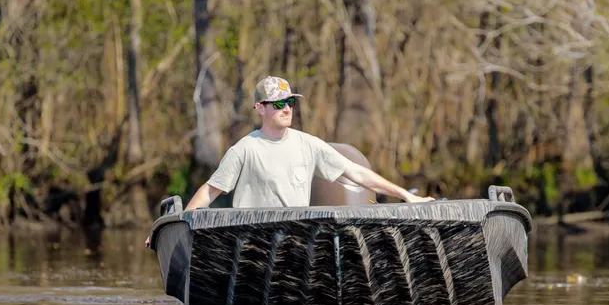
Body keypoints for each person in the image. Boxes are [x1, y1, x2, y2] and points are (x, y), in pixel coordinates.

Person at [182, 75, 435, 211]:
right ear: (260, 108)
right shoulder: (243, 150)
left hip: (295, 247)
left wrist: (405, 195)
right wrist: (181, 227)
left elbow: (357, 173)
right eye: (278, 103)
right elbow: (209, 192)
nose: (286, 109)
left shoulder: (309, 145)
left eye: (290, 102)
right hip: (254, 249)